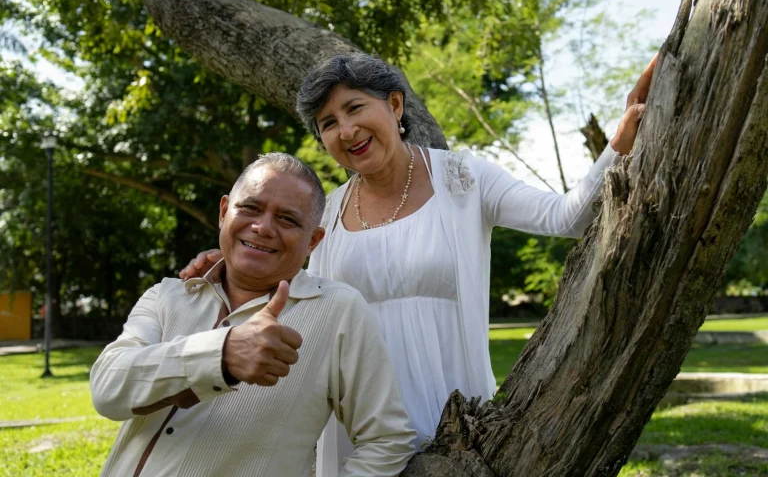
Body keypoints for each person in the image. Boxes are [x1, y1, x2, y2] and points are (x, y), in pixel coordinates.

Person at [180, 52, 657, 474]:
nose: (345, 130)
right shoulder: (326, 214)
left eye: (354, 108)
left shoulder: (465, 179)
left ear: (394, 105)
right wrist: (226, 260)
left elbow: (566, 216)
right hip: (355, 432)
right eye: (327, 123)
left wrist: (620, 142)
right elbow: (278, 281)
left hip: (455, 422)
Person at [91, 152, 416, 477]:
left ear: (313, 241)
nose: (262, 227)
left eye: (287, 220)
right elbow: (107, 389)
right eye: (250, 209)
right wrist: (220, 356)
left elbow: (387, 440)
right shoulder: (169, 294)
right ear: (223, 212)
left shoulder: (338, 311)